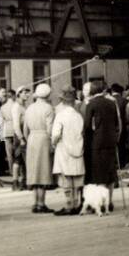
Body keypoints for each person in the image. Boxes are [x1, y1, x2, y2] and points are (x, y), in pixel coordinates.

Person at [82, 81, 122, 208]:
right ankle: (109, 201)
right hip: (110, 141)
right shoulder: (111, 103)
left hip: (97, 142)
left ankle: (100, 202)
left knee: (99, 173)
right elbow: (116, 122)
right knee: (110, 171)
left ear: (92, 91)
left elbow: (87, 125)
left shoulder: (91, 104)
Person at [51, 87, 86, 216]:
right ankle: (77, 203)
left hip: (64, 149)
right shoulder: (78, 116)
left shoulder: (60, 115)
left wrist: (54, 143)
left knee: (66, 178)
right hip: (78, 149)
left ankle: (69, 204)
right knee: (76, 177)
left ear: (62, 101)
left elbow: (55, 134)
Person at [24, 83, 56, 213]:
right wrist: (52, 144)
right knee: (43, 170)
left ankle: (35, 202)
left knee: (34, 171)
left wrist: (28, 140)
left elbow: (25, 128)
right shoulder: (48, 108)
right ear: (48, 94)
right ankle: (41, 203)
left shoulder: (29, 108)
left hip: (32, 138)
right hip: (43, 138)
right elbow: (50, 129)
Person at [0, 86, 28, 189]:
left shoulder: (21, 106)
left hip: (12, 133)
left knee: (16, 158)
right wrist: (21, 138)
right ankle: (17, 181)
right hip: (18, 135)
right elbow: (16, 124)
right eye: (25, 93)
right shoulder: (17, 107)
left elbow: (0, 122)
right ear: (17, 94)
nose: (27, 95)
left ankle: (19, 180)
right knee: (18, 159)